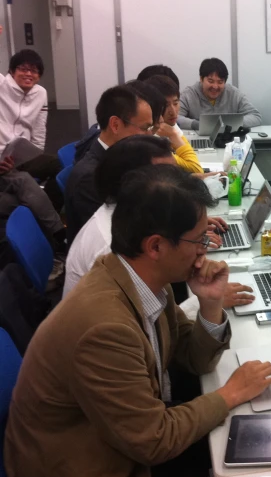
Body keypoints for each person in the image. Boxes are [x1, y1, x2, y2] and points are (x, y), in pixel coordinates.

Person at [4, 164, 271, 477]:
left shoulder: (142, 276)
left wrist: (210, 303)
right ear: (155, 246)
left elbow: (194, 359)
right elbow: (154, 441)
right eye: (198, 240)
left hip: (126, 433)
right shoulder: (104, 328)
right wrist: (230, 393)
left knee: (253, 444)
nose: (204, 250)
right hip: (83, 468)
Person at [63, 135, 254, 308]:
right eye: (167, 175)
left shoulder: (125, 214)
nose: (177, 183)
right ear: (133, 182)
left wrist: (189, 225)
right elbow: (152, 330)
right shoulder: (112, 248)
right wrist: (205, 303)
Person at [65, 83, 155, 243]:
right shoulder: (90, 177)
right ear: (115, 125)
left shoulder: (122, 159)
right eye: (145, 128)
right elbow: (116, 236)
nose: (150, 136)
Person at [0, 49, 63, 210]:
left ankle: (49, 208)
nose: (28, 74)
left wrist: (35, 154)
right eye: (23, 69)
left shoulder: (40, 93)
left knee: (60, 166)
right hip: (1, 159)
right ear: (12, 71)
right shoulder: (1, 86)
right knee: (23, 183)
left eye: (34, 71)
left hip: (22, 156)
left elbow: (39, 129)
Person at [178, 57, 262, 131]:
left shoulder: (233, 93)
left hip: (228, 142)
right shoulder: (189, 94)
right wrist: (197, 125)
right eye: (210, 81)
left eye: (220, 82)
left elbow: (255, 116)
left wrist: (231, 123)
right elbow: (176, 118)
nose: (215, 86)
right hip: (197, 142)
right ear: (201, 79)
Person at [145, 74, 204, 173]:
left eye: (176, 103)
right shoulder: (151, 135)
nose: (173, 111)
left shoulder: (169, 124)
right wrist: (173, 135)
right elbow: (196, 168)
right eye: (166, 105)